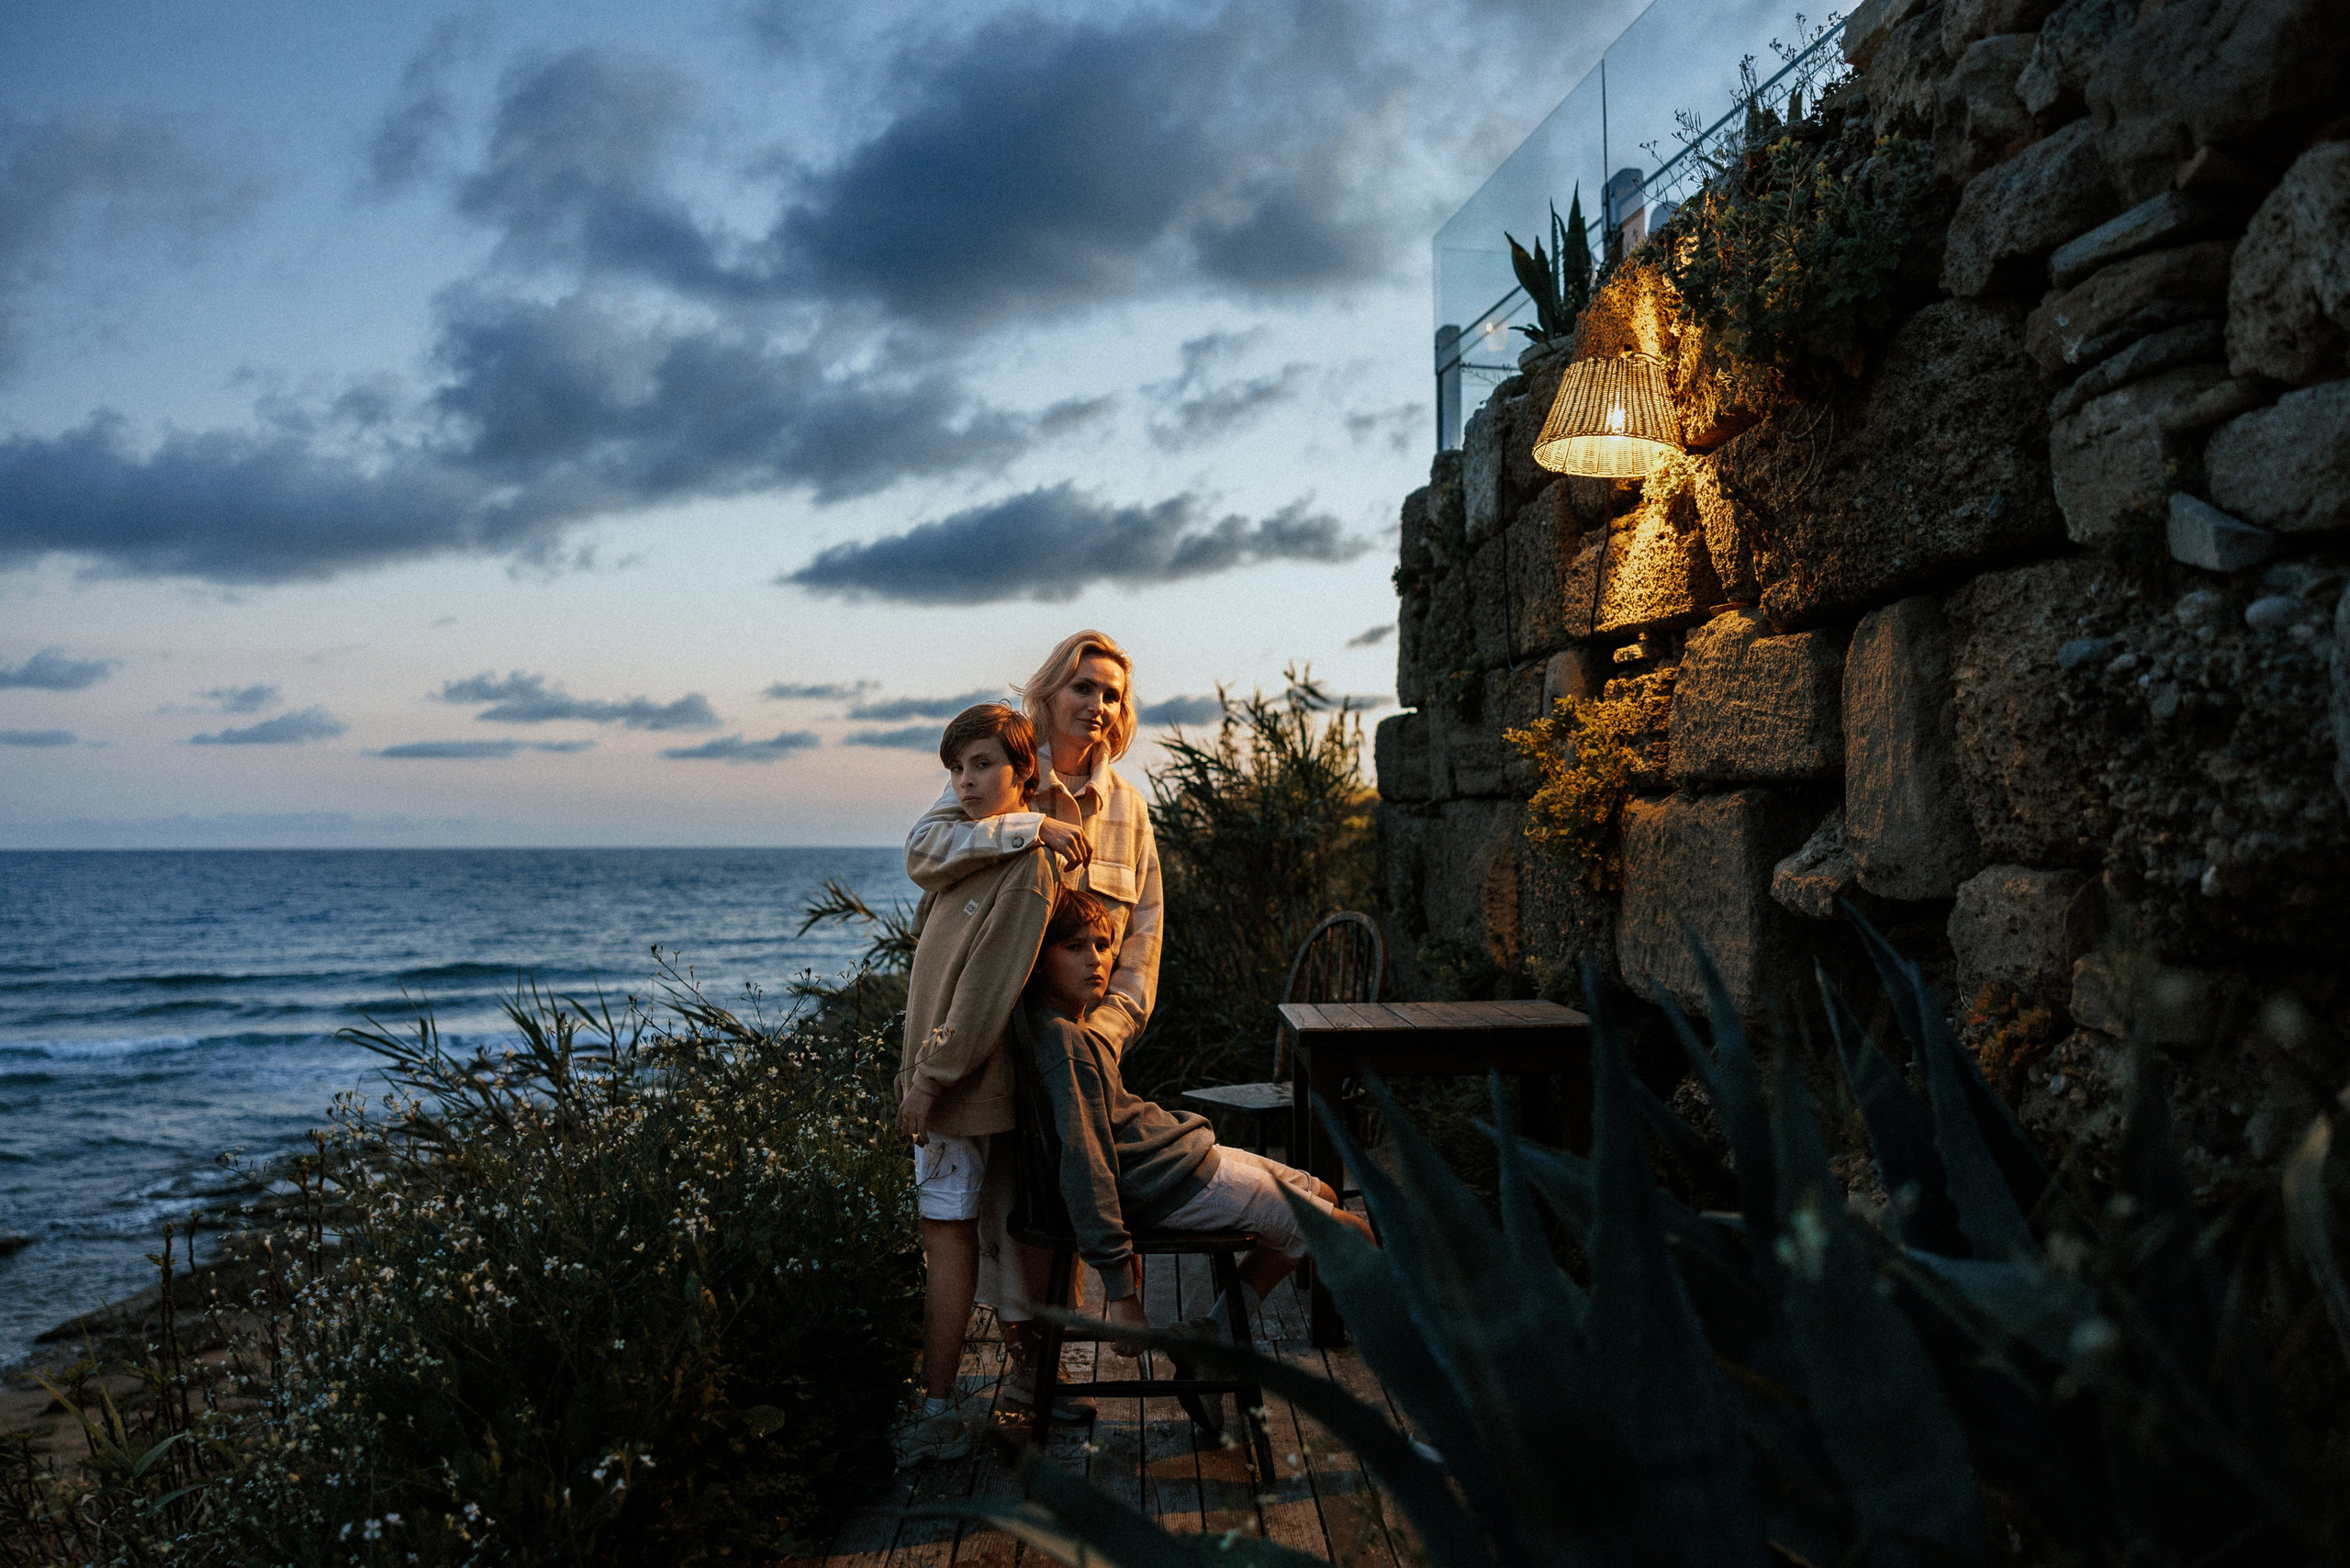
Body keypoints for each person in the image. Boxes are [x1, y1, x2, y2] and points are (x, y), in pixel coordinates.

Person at [902, 632, 1166, 1406]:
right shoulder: (1004, 774)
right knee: (997, 1218)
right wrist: (1029, 826)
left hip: (1070, 1052)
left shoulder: (1129, 813)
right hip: (984, 1046)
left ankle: (1033, 1379)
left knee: (1054, 1211)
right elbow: (925, 850)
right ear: (1049, 694)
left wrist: (1098, 1041)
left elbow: (1141, 944)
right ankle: (1013, 1375)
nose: (1097, 704)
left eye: (1111, 693)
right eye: (1082, 687)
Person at [1022, 884, 1374, 1428]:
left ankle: (1209, 1336)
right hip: (1174, 1185)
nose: (1096, 960)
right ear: (1039, 960)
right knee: (1355, 1235)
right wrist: (1121, 1290)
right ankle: (1430, 1387)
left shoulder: (1073, 1028)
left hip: (1182, 1158)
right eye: (1074, 947)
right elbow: (1085, 1165)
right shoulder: (1063, 1045)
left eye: (1102, 944)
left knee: (1322, 1193)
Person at [889, 704, 1059, 1467]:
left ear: (1024, 771)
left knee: (947, 1238)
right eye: (957, 767)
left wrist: (930, 1080)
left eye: (984, 764)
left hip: (959, 1087)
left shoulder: (1025, 866)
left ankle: (937, 1409)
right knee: (959, 1234)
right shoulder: (968, 850)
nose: (966, 781)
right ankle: (955, 1397)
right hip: (939, 1080)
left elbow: (984, 990)